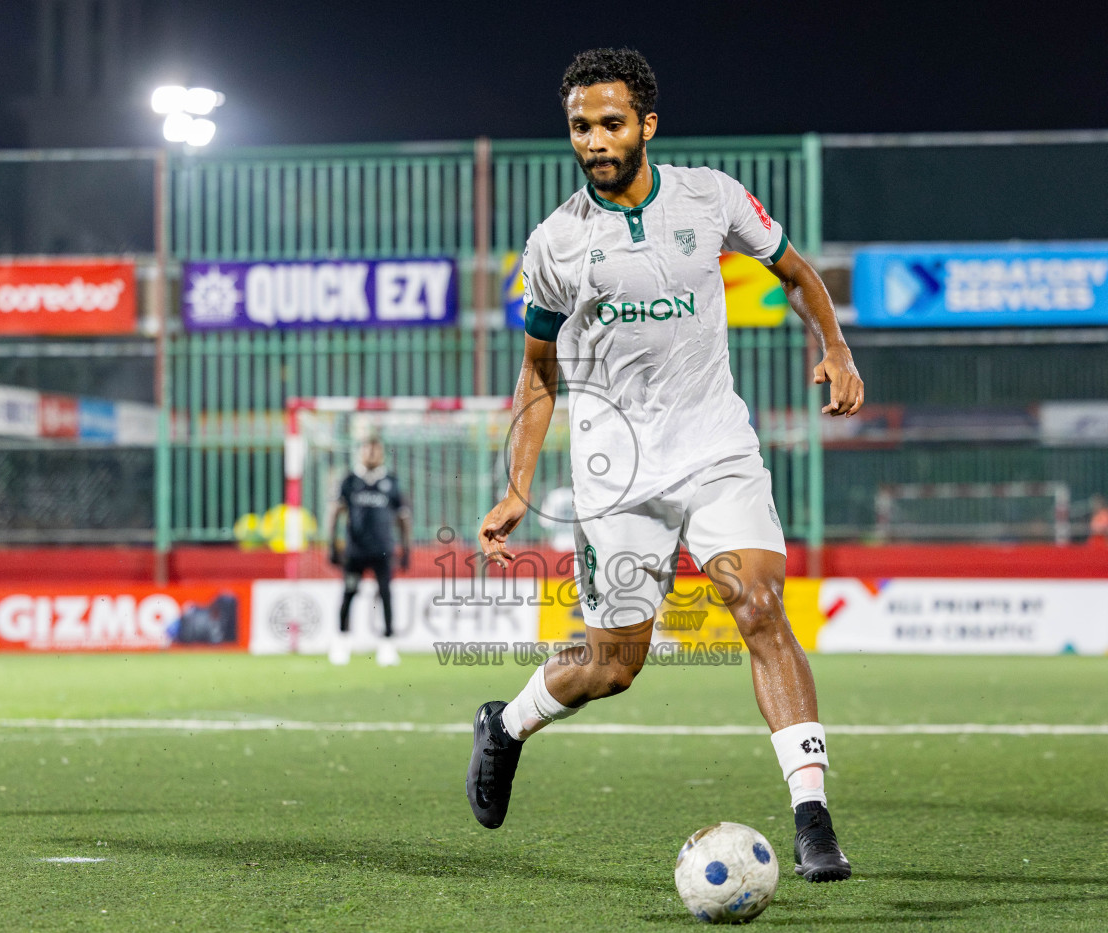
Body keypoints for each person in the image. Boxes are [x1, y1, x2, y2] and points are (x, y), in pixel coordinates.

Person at [466, 48, 865, 881]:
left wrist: (834, 345)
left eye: (611, 123)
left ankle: (813, 819)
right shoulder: (556, 243)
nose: (595, 140)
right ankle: (506, 726)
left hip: (717, 448)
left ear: (647, 124)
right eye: (580, 126)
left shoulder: (710, 197)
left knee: (758, 608)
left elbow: (793, 271)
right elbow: (538, 372)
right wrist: (516, 488)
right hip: (616, 475)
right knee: (614, 666)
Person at [328, 437, 411, 668]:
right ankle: (342, 642)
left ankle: (387, 645)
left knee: (385, 595)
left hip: (383, 551)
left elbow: (403, 517)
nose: (372, 454)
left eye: (376, 450)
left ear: (382, 454)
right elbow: (335, 512)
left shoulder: (391, 482)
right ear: (360, 453)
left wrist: (406, 549)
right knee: (349, 592)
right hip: (355, 551)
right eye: (367, 450)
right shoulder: (349, 480)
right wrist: (332, 544)